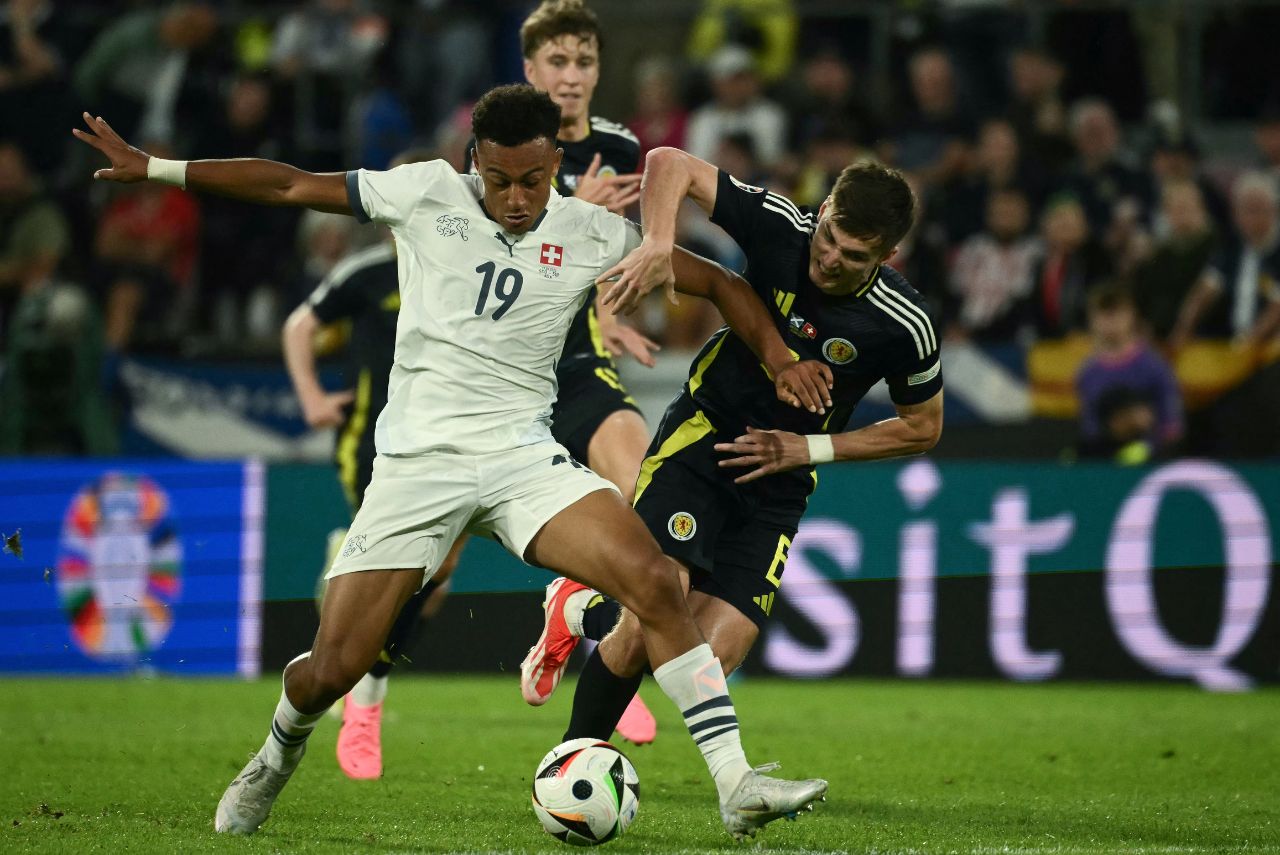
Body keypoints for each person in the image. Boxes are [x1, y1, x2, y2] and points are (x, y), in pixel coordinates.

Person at [74, 83, 832, 841]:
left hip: (523, 458)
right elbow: (286, 182)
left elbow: (725, 283)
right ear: (474, 160)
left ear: (555, 163)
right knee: (332, 667)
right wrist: (158, 167)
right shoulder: (425, 192)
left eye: (532, 181)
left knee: (656, 580)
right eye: (498, 179)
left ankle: (735, 781)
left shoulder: (594, 231)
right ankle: (276, 753)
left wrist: (779, 358)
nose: (513, 197)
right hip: (417, 464)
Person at [519, 147, 944, 752]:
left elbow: (922, 428)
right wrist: (660, 242)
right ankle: (572, 761)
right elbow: (671, 163)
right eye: (828, 238)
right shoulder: (780, 227)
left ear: (887, 256)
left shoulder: (904, 325)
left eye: (854, 256)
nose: (829, 259)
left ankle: (581, 609)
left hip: (782, 480)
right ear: (823, 211)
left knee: (708, 657)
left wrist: (810, 449)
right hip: (705, 437)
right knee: (648, 623)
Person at [280, 149, 466, 781]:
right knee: (420, 565)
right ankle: (365, 695)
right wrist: (310, 397)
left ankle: (348, 584)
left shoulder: (468, 271)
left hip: (455, 445)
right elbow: (300, 327)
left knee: (435, 577)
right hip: (374, 444)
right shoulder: (365, 275)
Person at [1075, 283, 1182, 462]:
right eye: (1103, 314)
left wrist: (1148, 445)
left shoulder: (1154, 367)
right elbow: (1090, 429)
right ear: (1092, 319)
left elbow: (1172, 425)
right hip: (1105, 468)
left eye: (1116, 313)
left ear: (1131, 315)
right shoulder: (1088, 374)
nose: (1110, 322)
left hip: (1151, 464)